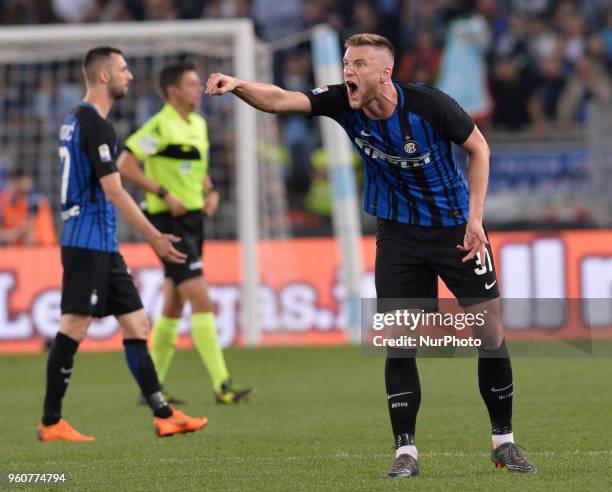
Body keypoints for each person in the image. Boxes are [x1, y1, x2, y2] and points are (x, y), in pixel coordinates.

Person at [206, 33, 536, 477]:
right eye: (346, 63)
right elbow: (282, 100)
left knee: (490, 331)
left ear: (385, 73)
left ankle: (504, 442)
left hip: (456, 230)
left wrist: (476, 219)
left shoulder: (430, 105)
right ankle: (406, 452)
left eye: (359, 64)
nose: (348, 72)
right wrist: (239, 84)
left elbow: (479, 148)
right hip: (397, 235)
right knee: (401, 341)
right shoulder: (342, 102)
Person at [38, 47, 208, 442]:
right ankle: (50, 422)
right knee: (74, 325)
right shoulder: (96, 125)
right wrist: (154, 236)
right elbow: (113, 191)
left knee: (136, 322)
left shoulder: (74, 121)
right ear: (103, 77)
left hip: (101, 242)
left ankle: (163, 414)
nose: (129, 76)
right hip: (88, 240)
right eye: (124, 69)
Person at [118, 62, 252, 404]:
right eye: (192, 84)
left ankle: (151, 389)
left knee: (173, 306)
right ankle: (223, 385)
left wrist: (211, 192)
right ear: (173, 91)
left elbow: (198, 170)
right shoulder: (159, 126)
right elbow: (125, 164)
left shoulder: (198, 125)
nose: (199, 90)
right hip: (169, 223)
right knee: (201, 299)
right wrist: (163, 193)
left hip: (193, 220)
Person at [0, 168, 57, 246]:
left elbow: (30, 236)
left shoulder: (35, 200)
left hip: (42, 248)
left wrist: (13, 234)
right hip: (20, 250)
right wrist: (12, 234)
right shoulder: (5, 200)